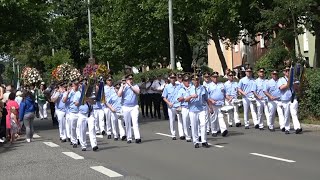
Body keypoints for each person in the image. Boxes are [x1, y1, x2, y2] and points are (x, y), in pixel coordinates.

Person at [184, 74, 210, 148]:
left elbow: (206, 98)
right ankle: (195, 141)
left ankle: (204, 140)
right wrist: (191, 96)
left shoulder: (203, 88)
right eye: (194, 80)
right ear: (192, 81)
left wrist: (210, 107)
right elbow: (185, 99)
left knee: (203, 124)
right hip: (193, 109)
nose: (196, 81)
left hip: (201, 109)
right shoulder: (189, 89)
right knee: (194, 126)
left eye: (197, 79)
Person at [277, 66, 302, 134]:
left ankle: (297, 128)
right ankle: (287, 128)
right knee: (286, 114)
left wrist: (296, 85)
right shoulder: (281, 79)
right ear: (284, 72)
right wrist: (289, 83)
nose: (288, 72)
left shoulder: (294, 79)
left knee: (294, 113)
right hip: (285, 100)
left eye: (289, 70)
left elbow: (298, 90)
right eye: (286, 71)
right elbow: (281, 88)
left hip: (293, 98)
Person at [117, 74, 141, 144]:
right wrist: (122, 86)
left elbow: (138, 92)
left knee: (135, 122)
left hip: (134, 106)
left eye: (132, 79)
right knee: (127, 123)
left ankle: (137, 137)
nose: (131, 80)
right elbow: (119, 94)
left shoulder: (135, 85)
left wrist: (130, 86)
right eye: (129, 79)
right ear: (126, 80)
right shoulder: (124, 87)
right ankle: (129, 138)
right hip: (126, 107)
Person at [162, 73, 184, 141]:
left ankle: (181, 134)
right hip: (171, 106)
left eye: (174, 77)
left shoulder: (179, 86)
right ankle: (173, 134)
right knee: (172, 120)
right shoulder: (167, 87)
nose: (173, 79)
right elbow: (163, 97)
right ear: (169, 78)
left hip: (178, 105)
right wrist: (168, 103)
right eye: (171, 78)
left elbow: (183, 93)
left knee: (180, 120)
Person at [207, 72, 228, 137]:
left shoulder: (221, 84)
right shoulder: (209, 86)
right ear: (211, 77)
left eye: (216, 77)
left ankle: (223, 130)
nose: (215, 78)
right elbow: (206, 96)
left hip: (220, 103)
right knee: (213, 118)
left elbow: (225, 93)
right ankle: (214, 130)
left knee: (221, 116)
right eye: (214, 77)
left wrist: (228, 98)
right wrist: (211, 100)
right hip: (212, 104)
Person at [64, 80, 81, 147]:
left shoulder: (80, 93)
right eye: (75, 85)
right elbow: (64, 101)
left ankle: (79, 138)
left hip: (79, 112)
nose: (76, 86)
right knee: (72, 127)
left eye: (77, 85)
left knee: (79, 127)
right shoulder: (70, 92)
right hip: (72, 112)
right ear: (72, 86)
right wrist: (67, 93)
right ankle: (74, 141)